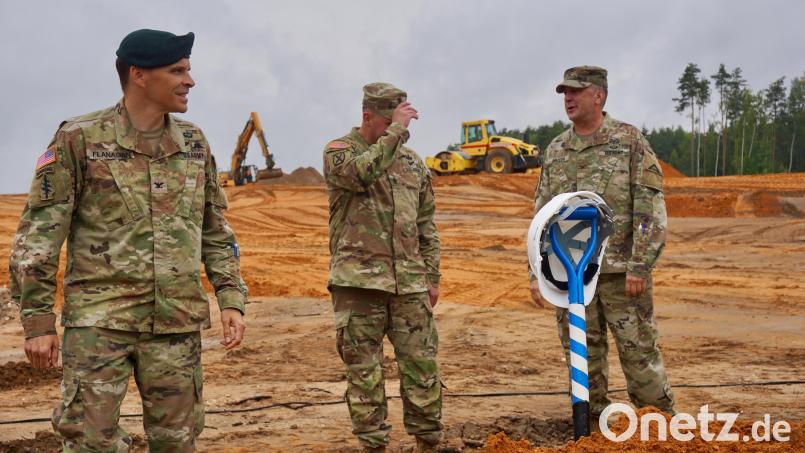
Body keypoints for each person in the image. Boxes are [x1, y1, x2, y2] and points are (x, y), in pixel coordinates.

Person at [9, 29, 248, 452]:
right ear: (139, 75)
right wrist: (38, 321)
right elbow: (40, 235)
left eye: (188, 70)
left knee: (178, 443)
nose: (189, 81)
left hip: (176, 326)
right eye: (177, 71)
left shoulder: (193, 143)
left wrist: (231, 296)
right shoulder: (79, 139)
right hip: (100, 327)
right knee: (90, 444)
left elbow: (215, 228)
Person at [530, 66, 676, 419]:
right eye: (565, 92)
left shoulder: (628, 141)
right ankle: (594, 427)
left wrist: (640, 264)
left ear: (599, 95)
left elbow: (649, 208)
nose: (568, 98)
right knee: (583, 356)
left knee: (638, 353)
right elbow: (542, 215)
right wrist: (536, 272)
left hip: (620, 275)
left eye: (576, 91)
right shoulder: (557, 149)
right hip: (569, 276)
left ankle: (658, 427)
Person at [323, 83, 442, 453]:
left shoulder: (412, 163)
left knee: (422, 368)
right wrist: (395, 132)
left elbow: (426, 225)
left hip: (409, 286)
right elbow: (362, 173)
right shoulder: (339, 152)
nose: (400, 134)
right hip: (358, 286)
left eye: (402, 126)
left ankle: (428, 442)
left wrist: (432, 276)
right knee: (365, 375)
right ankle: (374, 446)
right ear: (367, 117)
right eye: (391, 124)